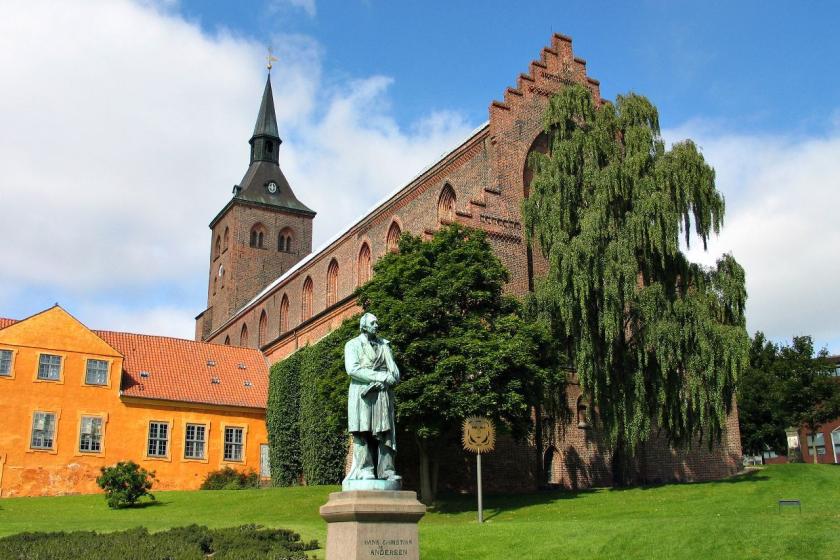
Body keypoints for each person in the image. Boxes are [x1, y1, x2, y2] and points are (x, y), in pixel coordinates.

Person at [344, 312, 401, 482]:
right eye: (373, 323)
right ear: (364, 326)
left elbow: (394, 372)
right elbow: (353, 369)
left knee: (386, 433)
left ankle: (387, 471)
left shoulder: (384, 345)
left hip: (383, 394)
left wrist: (390, 379)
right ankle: (364, 470)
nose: (377, 325)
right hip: (362, 394)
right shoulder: (352, 345)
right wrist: (381, 377)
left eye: (377, 323)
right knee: (362, 431)